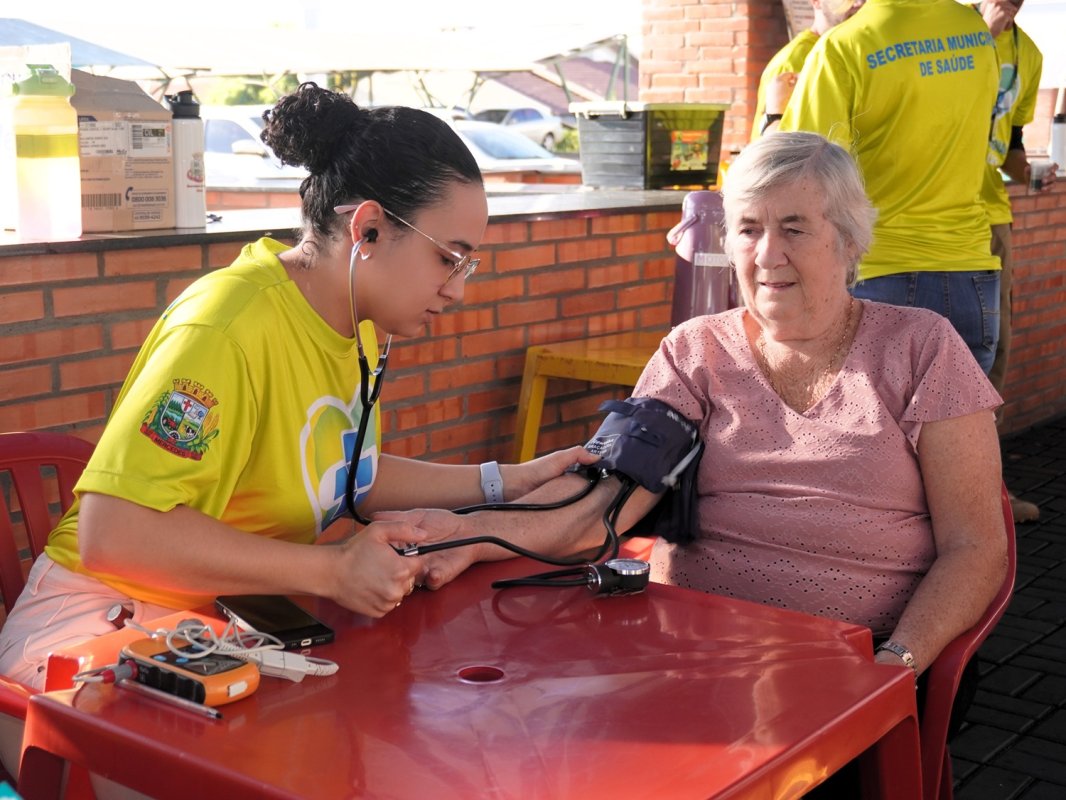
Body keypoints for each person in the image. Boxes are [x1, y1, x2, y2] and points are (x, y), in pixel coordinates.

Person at [0, 84, 595, 695]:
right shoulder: (228, 325)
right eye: (450, 258)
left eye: (470, 266)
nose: (458, 290)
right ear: (367, 230)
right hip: (90, 629)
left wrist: (504, 481)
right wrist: (331, 569)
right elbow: (113, 533)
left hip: (216, 627)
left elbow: (332, 466)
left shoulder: (357, 327)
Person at [387, 133, 1009, 694]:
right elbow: (595, 504)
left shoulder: (922, 347)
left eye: (793, 228)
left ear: (848, 240)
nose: (766, 254)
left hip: (860, 659)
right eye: (747, 228)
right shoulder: (695, 352)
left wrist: (895, 664)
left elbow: (976, 546)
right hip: (692, 652)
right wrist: (468, 534)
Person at [768, 0, 1002, 375]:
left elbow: (799, 173)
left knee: (868, 433)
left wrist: (774, 117)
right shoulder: (977, 33)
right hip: (970, 273)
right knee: (964, 431)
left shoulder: (843, 46)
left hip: (881, 273)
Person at [978, 0, 1056, 523]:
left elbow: (1010, 140)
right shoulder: (946, 33)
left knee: (992, 355)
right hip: (920, 224)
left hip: (991, 218)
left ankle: (984, 493)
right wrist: (980, 35)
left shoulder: (1028, 52)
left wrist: (1032, 167)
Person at [750, 0, 864, 142]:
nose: (858, 3)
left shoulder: (854, 49)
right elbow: (772, 146)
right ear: (816, 2)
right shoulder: (791, 62)